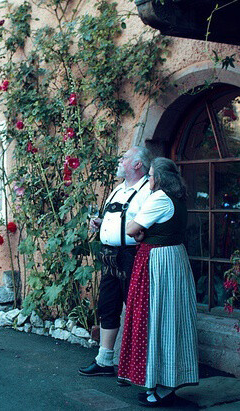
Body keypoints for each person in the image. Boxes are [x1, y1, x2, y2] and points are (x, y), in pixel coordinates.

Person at [118, 157, 198, 407]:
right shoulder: (177, 198)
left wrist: (139, 231)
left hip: (159, 262)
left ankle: (161, 385)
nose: (149, 179)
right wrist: (142, 231)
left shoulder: (160, 198)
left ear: (160, 178)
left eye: (151, 175)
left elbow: (132, 228)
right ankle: (165, 381)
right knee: (170, 319)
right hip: (173, 258)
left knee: (156, 318)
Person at [78, 146, 152, 378]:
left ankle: (136, 365)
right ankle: (105, 360)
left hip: (132, 257)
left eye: (125, 158)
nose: (120, 161)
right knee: (107, 306)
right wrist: (101, 224)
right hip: (109, 255)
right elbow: (122, 219)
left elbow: (146, 223)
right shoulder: (118, 189)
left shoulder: (148, 190)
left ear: (138, 164)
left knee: (136, 309)